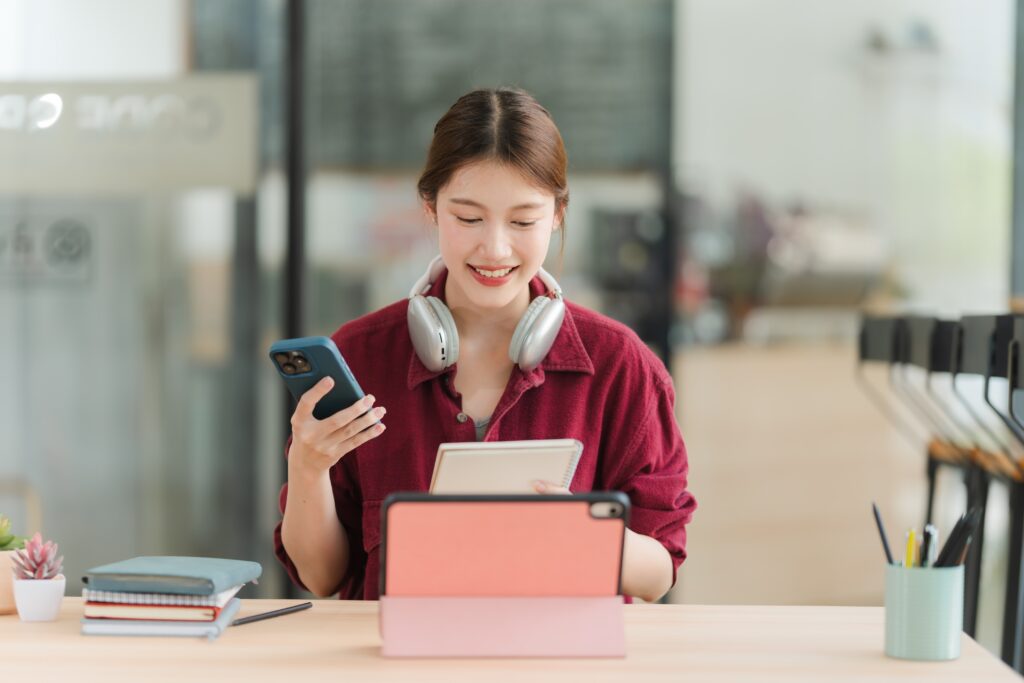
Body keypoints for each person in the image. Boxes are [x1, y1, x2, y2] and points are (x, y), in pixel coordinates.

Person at [274, 87, 696, 603]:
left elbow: (659, 574)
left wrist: (589, 535)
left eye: (523, 221)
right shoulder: (361, 357)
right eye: (468, 218)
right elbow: (320, 577)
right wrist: (308, 468)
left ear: (558, 214)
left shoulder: (620, 366)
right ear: (429, 208)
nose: (494, 248)